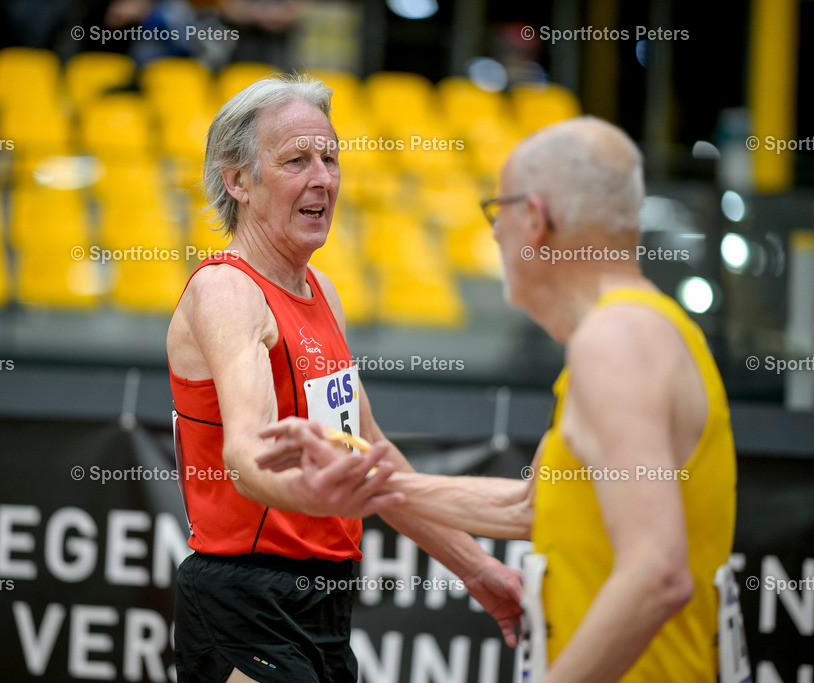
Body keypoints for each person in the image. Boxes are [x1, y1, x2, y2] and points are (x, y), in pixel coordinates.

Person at [259, 117, 740, 682]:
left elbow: (658, 572)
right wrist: (376, 482)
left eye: (499, 211)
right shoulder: (643, 329)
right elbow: (532, 508)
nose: (495, 235)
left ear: (535, 219)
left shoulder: (616, 343)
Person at [166, 73, 522, 683]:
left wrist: (477, 569)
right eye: (296, 160)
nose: (322, 178)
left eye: (330, 158)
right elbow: (246, 454)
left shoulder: (322, 291)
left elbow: (374, 455)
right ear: (237, 180)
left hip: (326, 599)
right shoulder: (227, 289)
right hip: (247, 597)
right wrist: (324, 494)